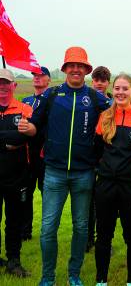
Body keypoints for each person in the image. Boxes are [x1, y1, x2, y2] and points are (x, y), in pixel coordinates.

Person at [18, 46, 109, 286]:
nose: (76, 69)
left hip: (84, 174)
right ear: (66, 68)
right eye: (72, 65)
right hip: (55, 173)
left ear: (86, 69)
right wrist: (30, 128)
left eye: (81, 65)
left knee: (81, 228)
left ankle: (74, 274)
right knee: (48, 228)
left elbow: (117, 109)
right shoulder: (52, 95)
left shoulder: (94, 96)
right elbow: (36, 124)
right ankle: (48, 277)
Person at [94, 74, 131, 286]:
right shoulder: (105, 116)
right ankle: (101, 280)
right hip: (106, 184)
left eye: (125, 88)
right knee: (104, 235)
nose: (120, 92)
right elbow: (97, 150)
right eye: (117, 88)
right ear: (112, 90)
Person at [0, 68, 33, 277]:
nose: (2, 87)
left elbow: (24, 137)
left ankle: (14, 261)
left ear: (14, 85)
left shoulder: (24, 109)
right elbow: (14, 137)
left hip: (17, 176)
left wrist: (15, 137)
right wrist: (8, 140)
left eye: (6, 83)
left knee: (14, 222)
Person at [21, 66, 51, 241]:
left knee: (47, 194)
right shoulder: (25, 101)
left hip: (45, 154)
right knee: (25, 194)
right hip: (26, 155)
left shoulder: (52, 100)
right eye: (34, 75)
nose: (37, 78)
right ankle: (25, 232)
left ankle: (47, 232)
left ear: (48, 79)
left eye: (41, 75)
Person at [86, 65, 112, 253]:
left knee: (103, 203)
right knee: (86, 203)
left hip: (105, 158)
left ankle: (103, 240)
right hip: (87, 157)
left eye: (103, 81)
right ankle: (87, 239)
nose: (99, 84)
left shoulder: (112, 103)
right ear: (92, 81)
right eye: (97, 80)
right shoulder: (86, 100)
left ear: (107, 83)